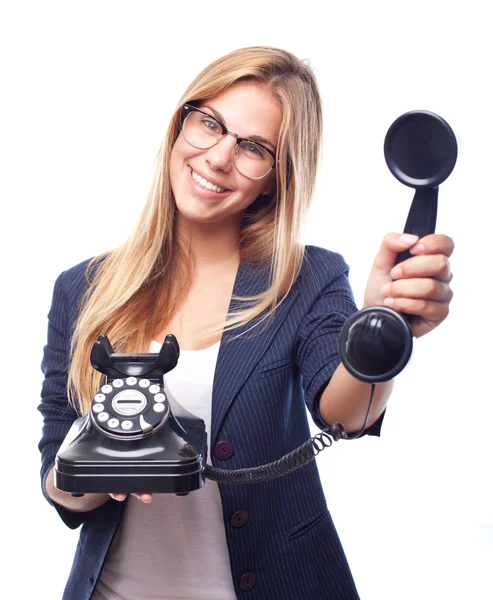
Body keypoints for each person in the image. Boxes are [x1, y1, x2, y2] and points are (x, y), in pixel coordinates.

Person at [38, 46, 454, 600]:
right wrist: (96, 469)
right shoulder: (82, 288)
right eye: (210, 123)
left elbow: (343, 413)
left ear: (276, 178)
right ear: (179, 127)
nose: (217, 157)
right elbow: (54, 476)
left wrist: (379, 330)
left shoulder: (308, 277)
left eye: (253, 147)